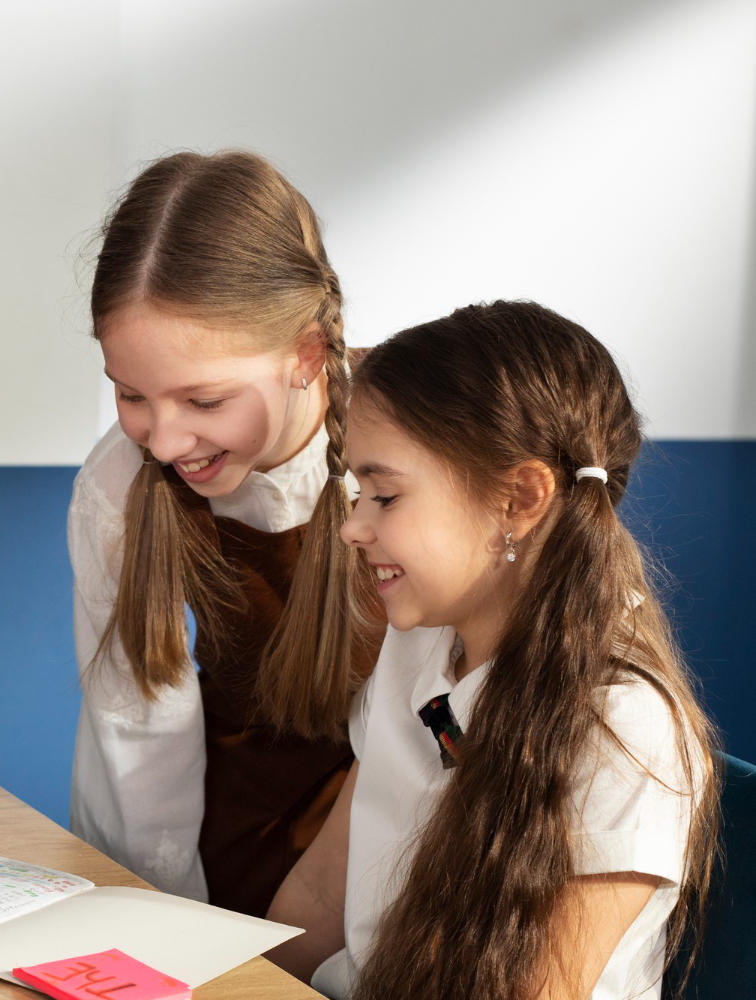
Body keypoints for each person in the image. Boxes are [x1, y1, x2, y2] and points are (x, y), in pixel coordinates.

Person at [267, 301, 719, 999]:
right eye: (359, 492)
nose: (353, 527)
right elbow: (324, 892)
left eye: (384, 496)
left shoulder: (624, 729)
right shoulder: (415, 644)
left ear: (520, 499)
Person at [68, 150, 380, 917]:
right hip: (222, 847)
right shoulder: (117, 485)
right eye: (130, 395)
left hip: (390, 844)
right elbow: (135, 738)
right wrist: (160, 918)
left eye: (204, 401)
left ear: (306, 354)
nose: (165, 441)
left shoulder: (410, 458)